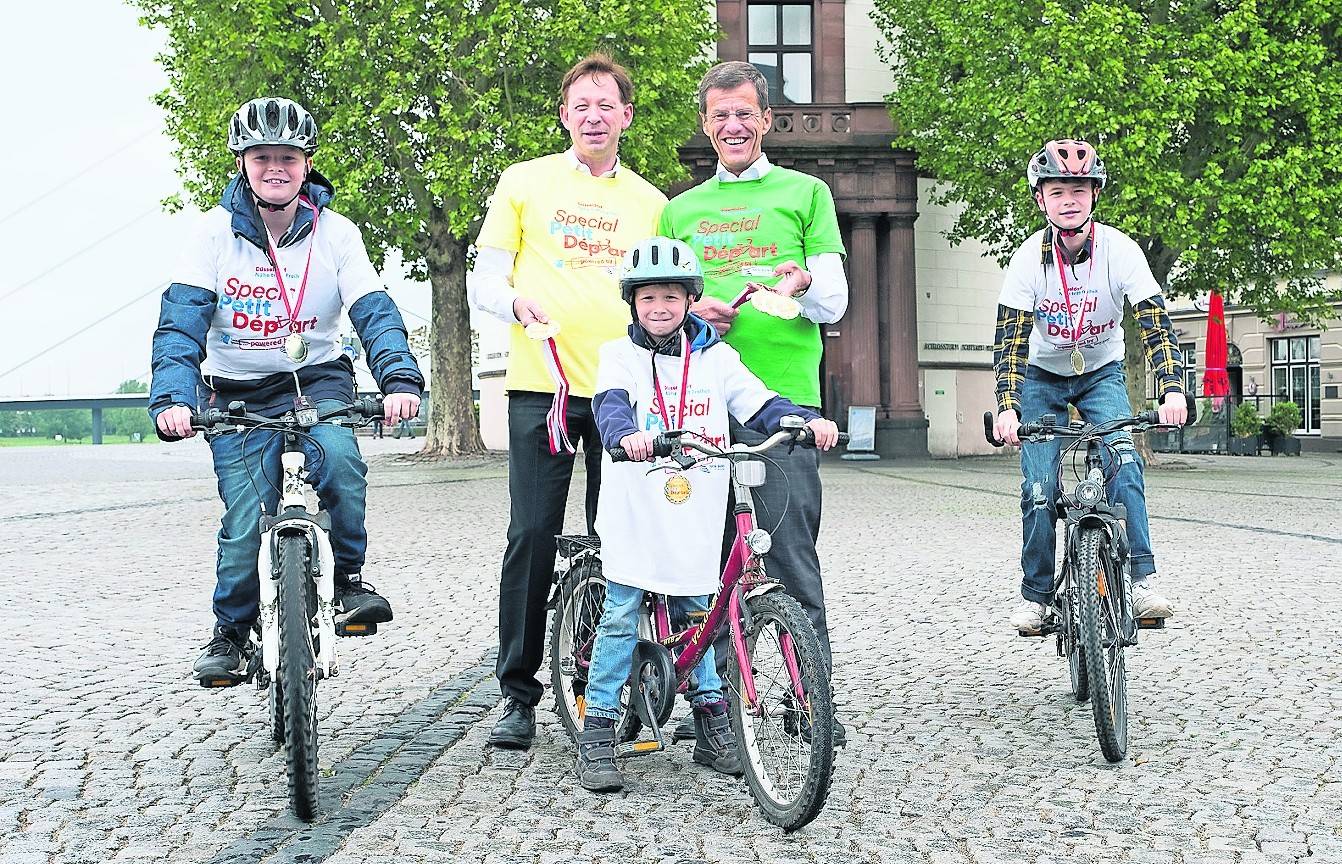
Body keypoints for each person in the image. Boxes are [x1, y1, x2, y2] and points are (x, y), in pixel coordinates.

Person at [149, 97, 424, 685]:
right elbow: (182, 322)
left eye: (289, 157)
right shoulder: (213, 234)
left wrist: (398, 379)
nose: (276, 168)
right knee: (247, 516)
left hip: (317, 377)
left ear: (307, 164)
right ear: (242, 163)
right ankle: (230, 633)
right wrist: (174, 397)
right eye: (262, 157)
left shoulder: (337, 233)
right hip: (238, 389)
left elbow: (372, 310)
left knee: (342, 463)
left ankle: (347, 582)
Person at [575, 237, 839, 792]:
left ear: (691, 299)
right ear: (632, 303)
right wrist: (627, 436)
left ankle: (714, 723)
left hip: (694, 511)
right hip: (637, 511)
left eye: (672, 296)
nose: (660, 309)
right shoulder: (619, 356)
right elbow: (611, 405)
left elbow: (758, 402)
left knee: (701, 613)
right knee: (622, 614)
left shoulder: (717, 358)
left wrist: (799, 421)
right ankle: (598, 730)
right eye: (648, 298)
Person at [467, 54, 667, 749]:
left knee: (620, 541)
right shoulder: (524, 182)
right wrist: (515, 303)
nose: (593, 115)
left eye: (605, 104)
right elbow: (484, 277)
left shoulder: (651, 202)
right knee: (531, 536)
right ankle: (517, 695)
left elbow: (661, 296)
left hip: (621, 393)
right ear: (564, 113)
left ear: (625, 117)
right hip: (540, 389)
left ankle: (601, 686)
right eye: (581, 104)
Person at [657, 61, 849, 744]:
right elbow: (657, 306)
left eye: (745, 114)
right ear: (706, 125)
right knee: (706, 557)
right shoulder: (679, 210)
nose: (732, 126)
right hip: (700, 399)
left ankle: (812, 704)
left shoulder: (808, 193)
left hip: (785, 399)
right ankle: (717, 706)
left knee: (790, 553)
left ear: (767, 120)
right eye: (720, 116)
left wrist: (801, 286)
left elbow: (836, 300)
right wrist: (692, 312)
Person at [991, 139, 1187, 634]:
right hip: (1042, 378)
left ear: (1095, 194)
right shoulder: (1025, 261)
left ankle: (1142, 580)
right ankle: (1036, 595)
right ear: (1041, 199)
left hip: (1102, 373)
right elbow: (1010, 342)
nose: (1070, 200)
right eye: (1058, 191)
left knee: (1124, 462)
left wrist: (1172, 390)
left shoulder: (1121, 251)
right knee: (1038, 489)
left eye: (1079, 189)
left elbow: (1155, 326)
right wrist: (1008, 407)